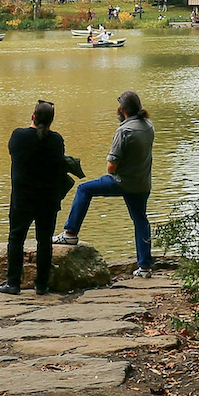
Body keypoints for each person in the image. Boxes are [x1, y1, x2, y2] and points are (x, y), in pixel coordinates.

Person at [56, 90, 156, 277]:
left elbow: (111, 167)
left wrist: (115, 169)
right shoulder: (148, 125)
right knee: (140, 220)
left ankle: (70, 234)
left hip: (122, 181)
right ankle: (145, 266)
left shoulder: (124, 131)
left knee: (84, 189)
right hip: (142, 183)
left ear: (122, 109)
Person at [0, 99, 67, 296]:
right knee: (44, 241)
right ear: (51, 121)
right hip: (48, 199)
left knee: (16, 238)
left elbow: (13, 151)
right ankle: (42, 285)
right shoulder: (56, 140)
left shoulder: (19, 136)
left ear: (32, 117)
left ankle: (13, 283)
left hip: (22, 199)